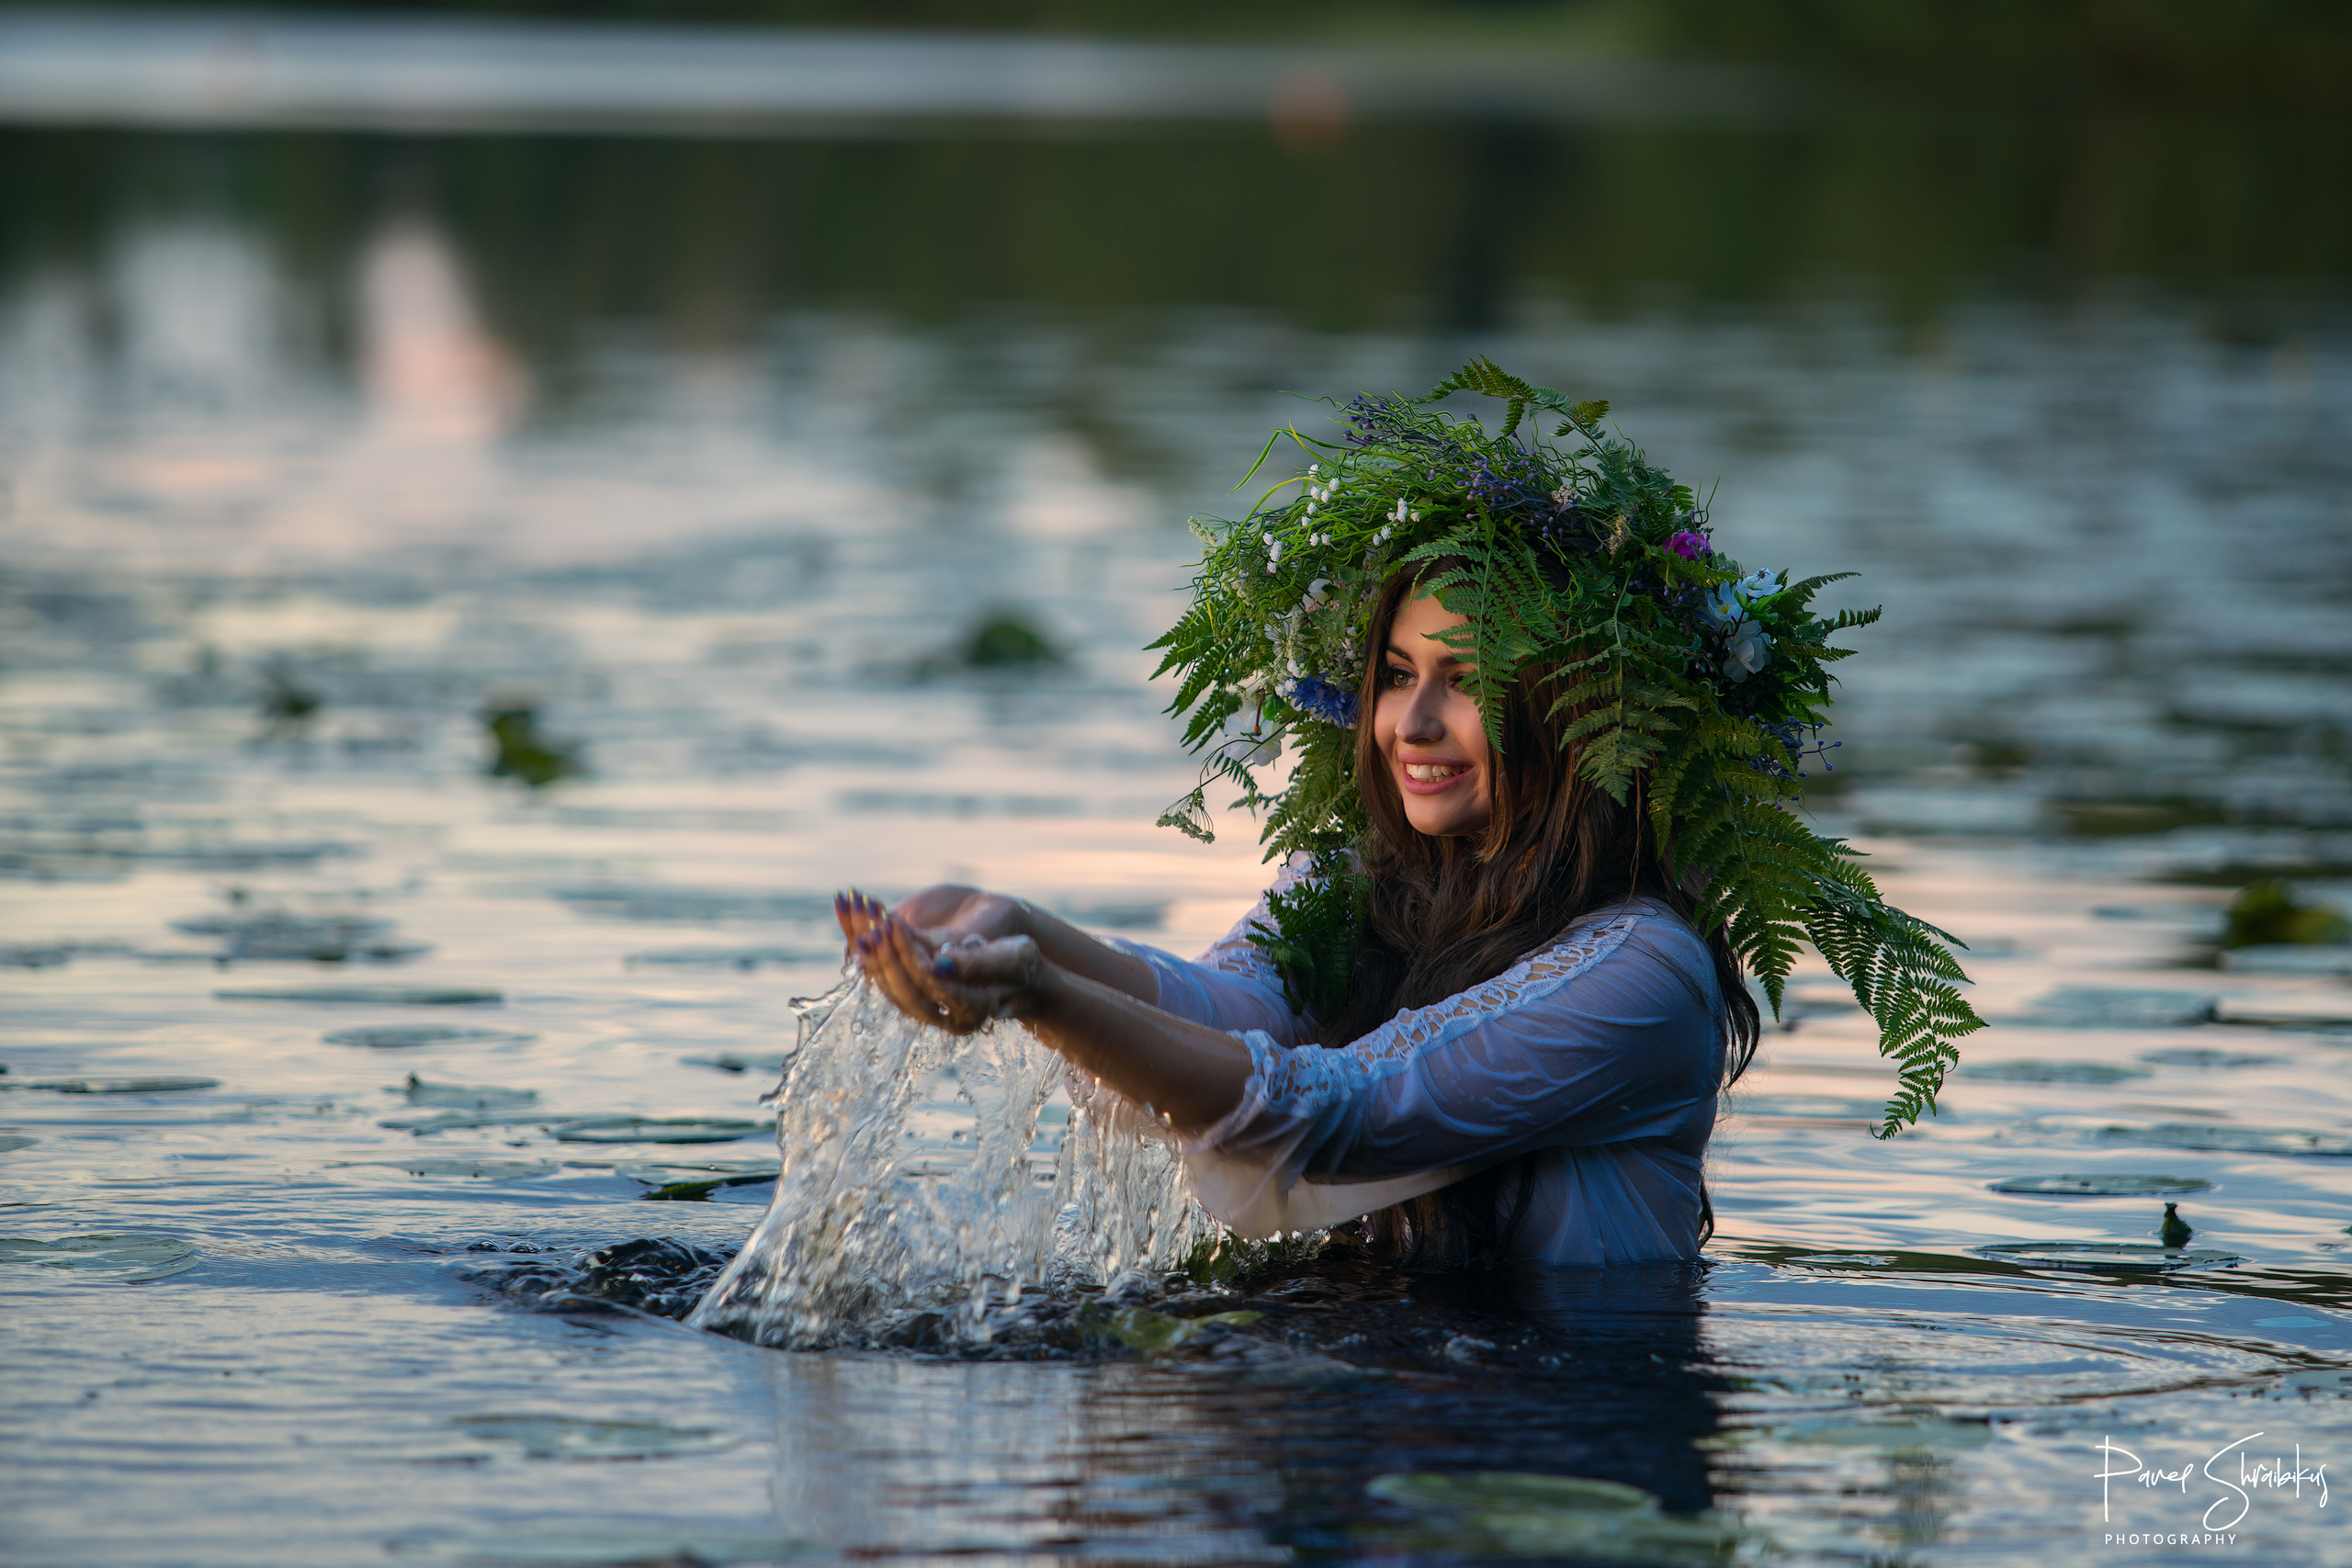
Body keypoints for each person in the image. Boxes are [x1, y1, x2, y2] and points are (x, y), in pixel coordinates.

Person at [835, 362, 1975, 1269]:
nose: (1411, 723)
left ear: (1579, 709)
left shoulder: (1645, 971)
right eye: (1391, 673)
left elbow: (1333, 1111)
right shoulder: (1356, 885)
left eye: (1468, 679)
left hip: (1570, 1450)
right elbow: (1221, 1007)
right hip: (1380, 1427)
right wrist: (1006, 923)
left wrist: (1034, 989)